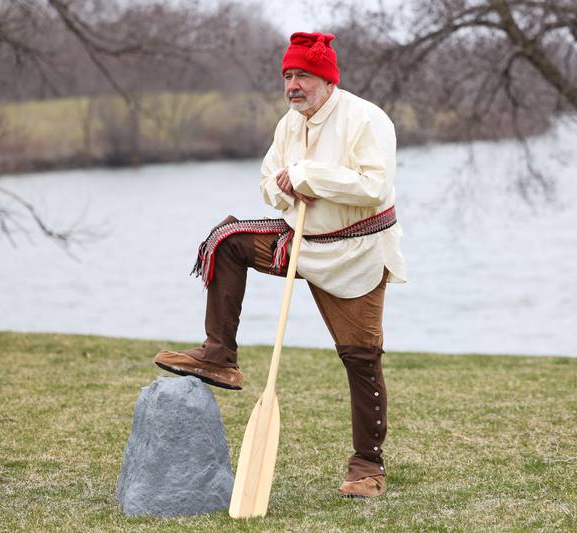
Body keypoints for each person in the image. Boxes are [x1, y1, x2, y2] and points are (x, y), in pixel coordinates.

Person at [154, 31, 406, 499]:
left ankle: (367, 467)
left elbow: (375, 187)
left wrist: (311, 176)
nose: (293, 85)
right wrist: (284, 188)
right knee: (227, 241)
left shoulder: (367, 119)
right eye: (288, 75)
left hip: (355, 252)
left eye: (303, 76)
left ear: (328, 81)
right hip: (297, 241)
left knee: (360, 358)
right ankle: (219, 356)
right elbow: (268, 179)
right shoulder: (289, 123)